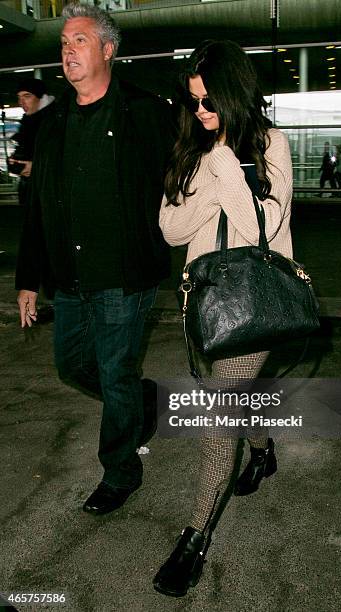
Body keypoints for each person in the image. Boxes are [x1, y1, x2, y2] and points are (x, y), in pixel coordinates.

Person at [15, 2, 174, 515]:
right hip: (70, 276)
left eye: (79, 40)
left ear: (108, 49)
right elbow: (38, 207)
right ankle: (140, 399)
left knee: (114, 369)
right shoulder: (53, 121)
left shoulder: (145, 113)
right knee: (72, 366)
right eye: (63, 42)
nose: (67, 50)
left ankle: (121, 471)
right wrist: (28, 279)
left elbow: (184, 180)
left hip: (124, 276)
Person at [154, 39, 293, 597]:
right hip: (205, 301)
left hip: (254, 299)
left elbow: (264, 227)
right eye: (193, 102)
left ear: (234, 94)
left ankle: (194, 538)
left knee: (218, 416)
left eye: (209, 101)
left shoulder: (270, 144)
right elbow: (171, 228)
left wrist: (222, 167)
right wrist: (212, 176)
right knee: (241, 395)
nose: (200, 113)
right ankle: (262, 452)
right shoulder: (194, 149)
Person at [8, 78, 55, 207]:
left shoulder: (55, 122)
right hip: (31, 188)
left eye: (27, 96)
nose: (21, 102)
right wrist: (14, 161)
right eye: (19, 97)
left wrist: (36, 167)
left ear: (41, 97)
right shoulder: (29, 120)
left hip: (47, 191)